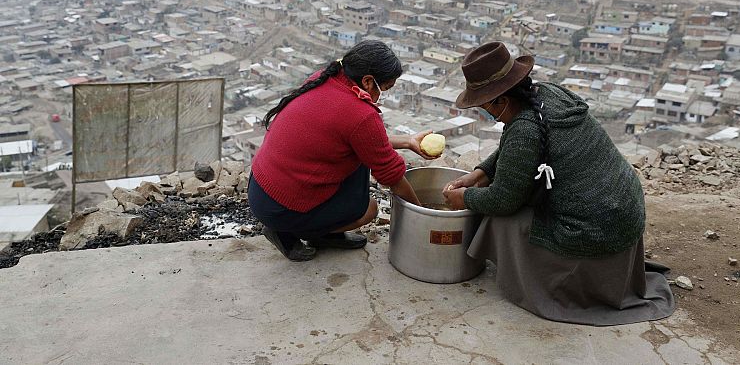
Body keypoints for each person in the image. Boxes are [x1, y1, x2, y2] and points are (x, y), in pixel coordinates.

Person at [442, 41, 675, 326]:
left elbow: (503, 200)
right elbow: (517, 147)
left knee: (500, 221)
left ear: (500, 100)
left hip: (596, 230)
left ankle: (549, 285)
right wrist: (479, 174)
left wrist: (465, 199)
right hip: (622, 210)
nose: (484, 111)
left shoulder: (525, 129)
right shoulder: (544, 96)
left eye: (484, 104)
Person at [249, 40, 433, 261]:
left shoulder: (326, 79)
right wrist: (425, 214)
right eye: (384, 89)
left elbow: (364, 140)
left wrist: (408, 141)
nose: (382, 95)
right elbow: (392, 177)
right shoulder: (360, 113)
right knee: (369, 210)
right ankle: (287, 233)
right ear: (367, 81)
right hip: (281, 207)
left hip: (262, 187)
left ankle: (321, 233)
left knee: (361, 161)